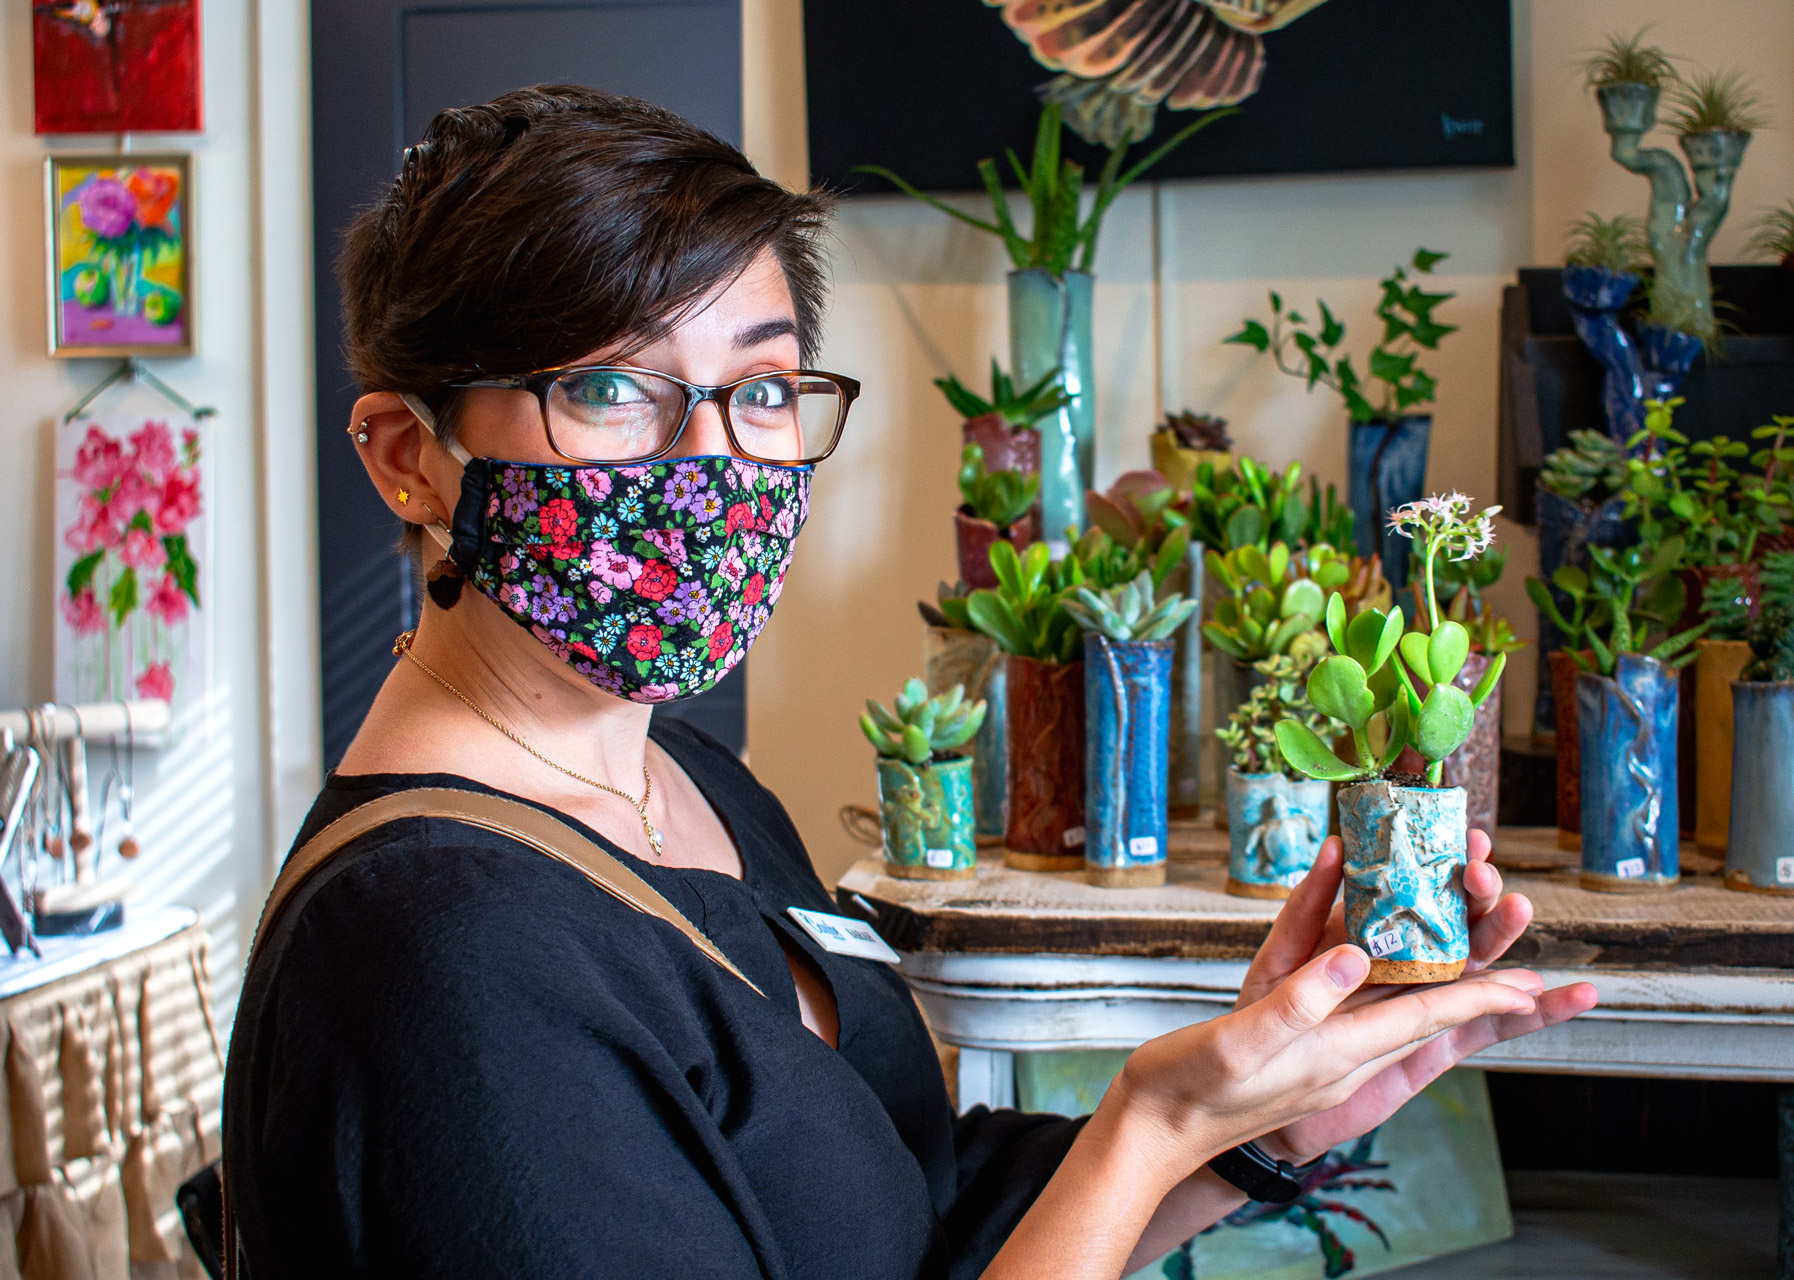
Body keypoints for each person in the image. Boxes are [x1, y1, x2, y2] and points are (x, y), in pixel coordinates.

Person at [222, 85, 1595, 1280]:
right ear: (411, 456)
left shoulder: (684, 783)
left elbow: (903, 1214)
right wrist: (1153, 1124)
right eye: (609, 392)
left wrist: (1256, 1127)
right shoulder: (446, 961)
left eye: (760, 392)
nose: (708, 465)